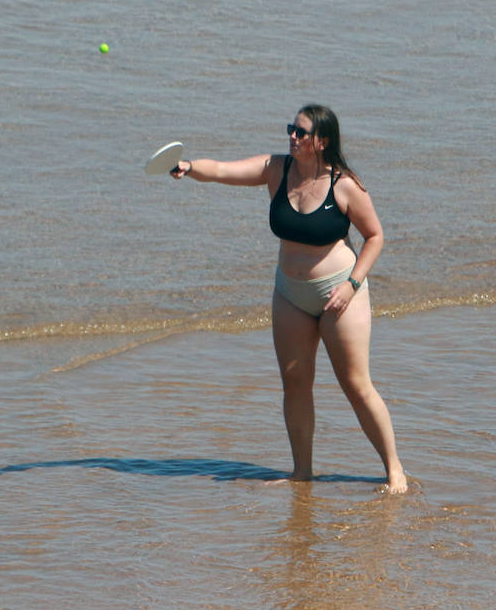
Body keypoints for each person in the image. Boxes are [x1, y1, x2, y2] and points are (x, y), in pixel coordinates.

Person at [170, 105, 407, 494]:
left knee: (355, 384)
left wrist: (352, 283)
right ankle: (302, 472)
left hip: (340, 293)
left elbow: (375, 237)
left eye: (301, 133)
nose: (292, 138)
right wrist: (189, 166)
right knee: (295, 383)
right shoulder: (276, 169)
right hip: (290, 294)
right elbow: (225, 170)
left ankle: (394, 470)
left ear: (322, 141)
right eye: (290, 130)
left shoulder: (344, 185)